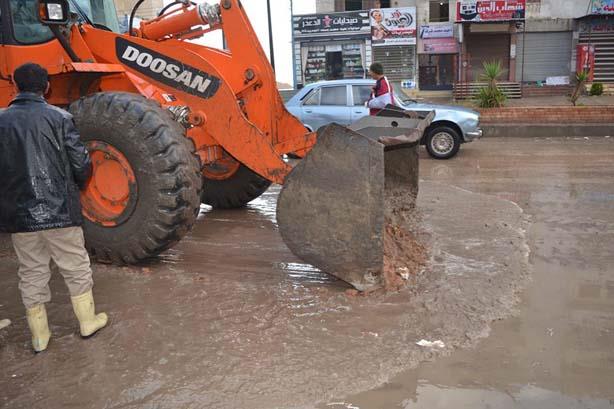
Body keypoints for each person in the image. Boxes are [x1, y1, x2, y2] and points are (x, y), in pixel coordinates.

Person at [0, 63, 108, 353]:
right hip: (59, 210)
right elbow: (81, 164)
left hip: (20, 216)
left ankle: (40, 336)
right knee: (74, 265)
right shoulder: (60, 118)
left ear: (15, 86)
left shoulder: (1, 121)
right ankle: (87, 322)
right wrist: (77, 184)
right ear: (46, 86)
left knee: (32, 270)